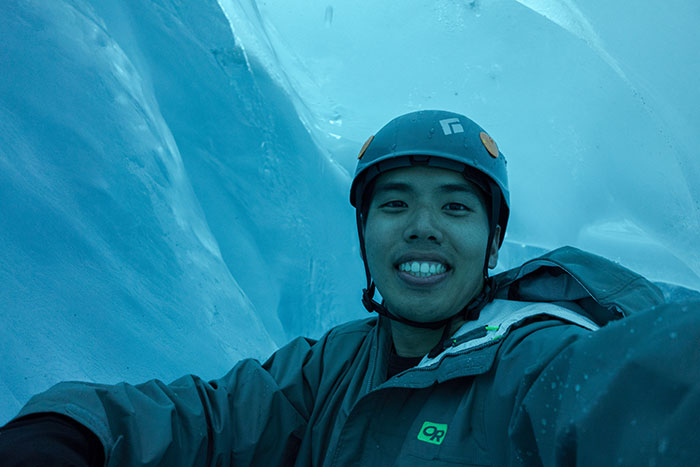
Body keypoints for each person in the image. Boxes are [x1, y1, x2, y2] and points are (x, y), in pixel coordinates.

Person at [1, 110, 699, 466]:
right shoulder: (337, 363)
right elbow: (213, 419)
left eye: (456, 207)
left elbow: (642, 388)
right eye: (394, 204)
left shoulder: (532, 363)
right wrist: (71, 430)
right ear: (364, 233)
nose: (422, 227)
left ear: (492, 242)